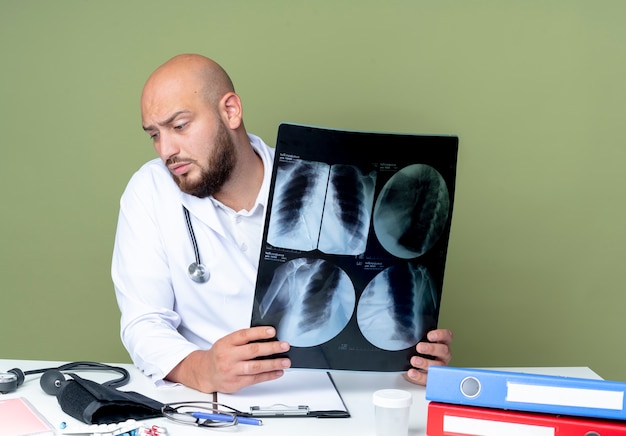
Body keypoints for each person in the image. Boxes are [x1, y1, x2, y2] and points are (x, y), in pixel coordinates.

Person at [111, 53, 453, 394]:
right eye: (154, 135)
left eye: (179, 126)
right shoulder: (151, 190)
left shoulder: (318, 179)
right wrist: (201, 370)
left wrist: (415, 357)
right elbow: (144, 322)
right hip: (212, 402)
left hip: (332, 398)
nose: (166, 149)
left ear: (230, 111)